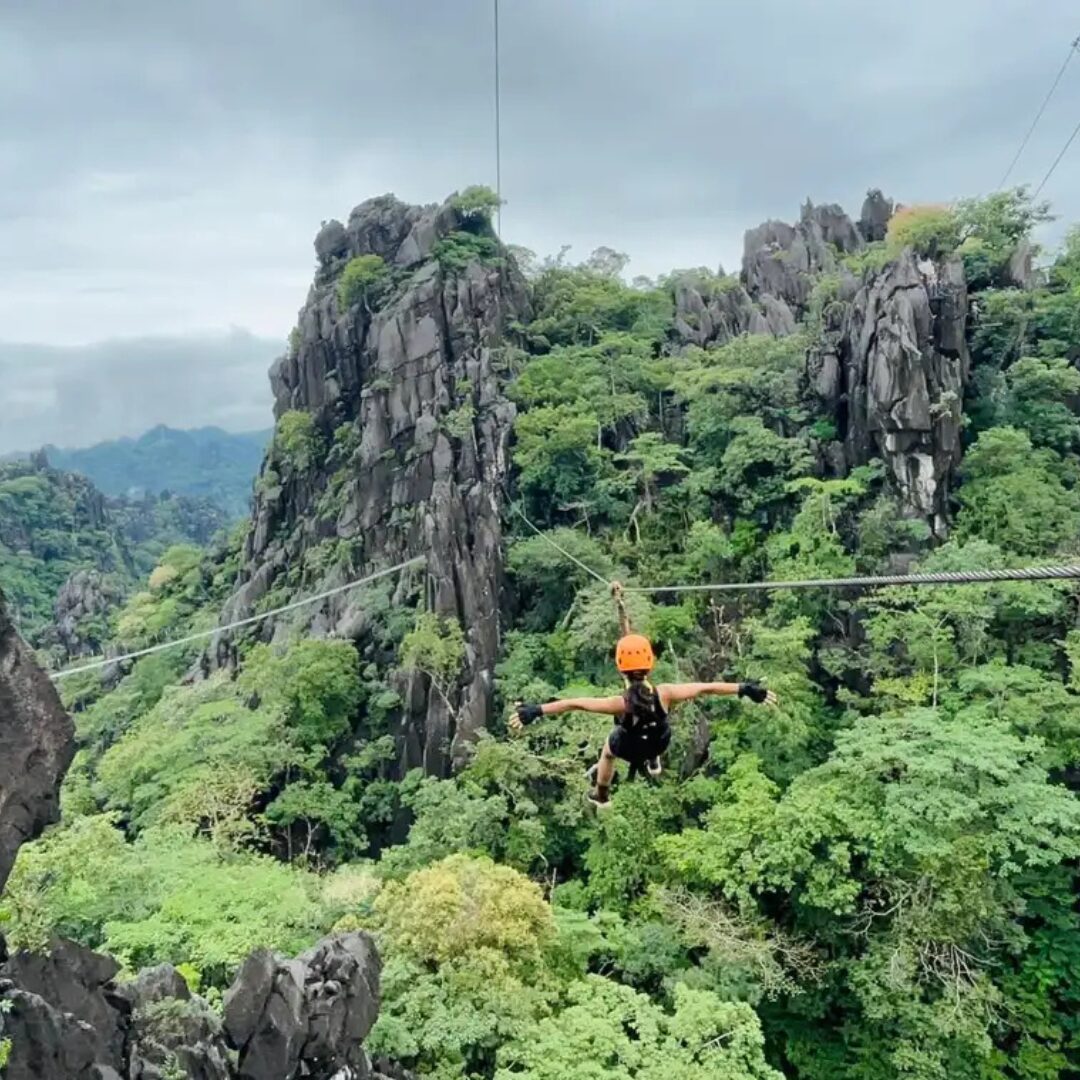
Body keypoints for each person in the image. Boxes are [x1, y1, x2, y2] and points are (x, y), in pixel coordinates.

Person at [509, 632, 777, 808]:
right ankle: (652, 761)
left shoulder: (619, 704)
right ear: (652, 664)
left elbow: (573, 704)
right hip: (659, 743)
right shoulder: (666, 694)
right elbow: (706, 687)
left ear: (619, 668)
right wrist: (744, 689)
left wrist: (535, 711)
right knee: (655, 734)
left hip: (628, 747)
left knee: (607, 753)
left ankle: (601, 796)